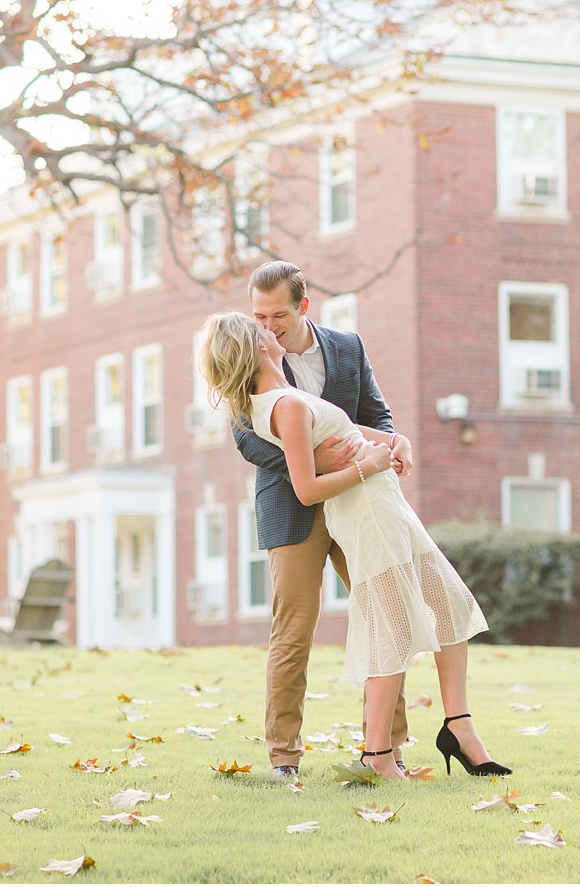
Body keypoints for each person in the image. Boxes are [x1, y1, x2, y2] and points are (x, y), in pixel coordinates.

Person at [203, 308, 510, 781]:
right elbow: (307, 488)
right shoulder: (283, 406)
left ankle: (456, 724)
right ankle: (377, 754)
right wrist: (368, 466)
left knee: (448, 605)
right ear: (258, 346)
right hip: (368, 511)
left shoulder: (284, 398)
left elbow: (344, 432)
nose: (272, 327)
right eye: (262, 324)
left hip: (387, 506)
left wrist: (391, 442)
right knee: (392, 625)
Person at [232, 262, 407, 780]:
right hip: (293, 506)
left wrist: (390, 443)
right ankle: (284, 758)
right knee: (293, 632)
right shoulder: (248, 352)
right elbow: (245, 438)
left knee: (386, 616)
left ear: (303, 306)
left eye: (279, 315)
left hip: (359, 502)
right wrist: (309, 460)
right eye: (259, 315)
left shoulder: (348, 347)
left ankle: (387, 750)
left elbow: (378, 416)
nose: (268, 327)